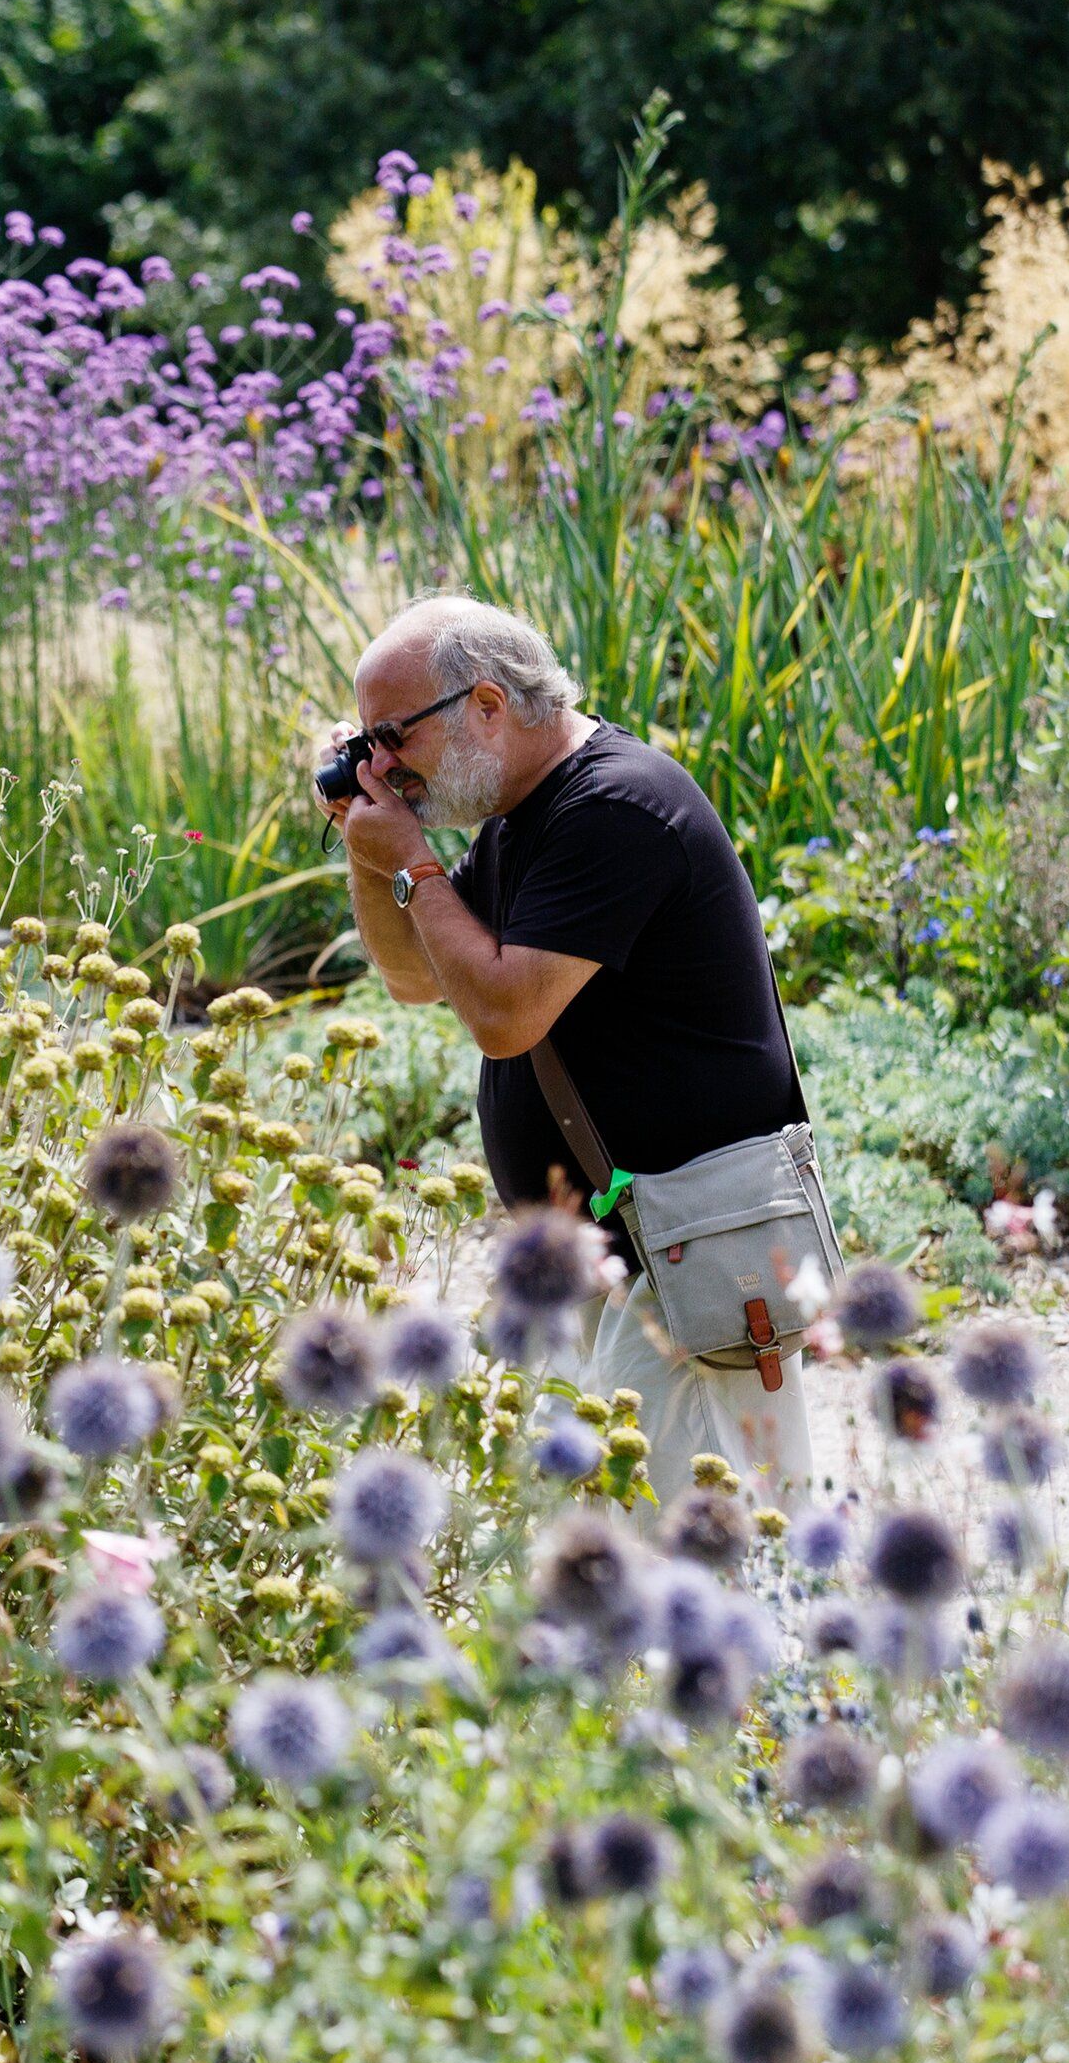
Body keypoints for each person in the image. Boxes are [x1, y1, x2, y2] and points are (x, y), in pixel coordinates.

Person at [324, 593, 811, 1494]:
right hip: (618, 1253)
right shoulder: (524, 809)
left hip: (685, 1256)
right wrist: (374, 847)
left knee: (708, 1561)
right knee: (610, 1564)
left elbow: (505, 1017)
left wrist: (413, 861)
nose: (384, 766)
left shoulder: (615, 807)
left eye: (393, 737)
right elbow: (418, 975)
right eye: (366, 745)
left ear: (487, 704)